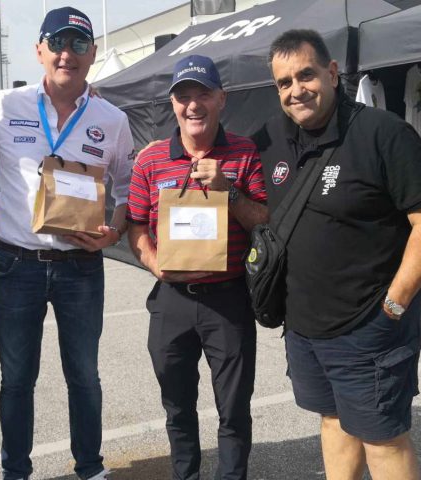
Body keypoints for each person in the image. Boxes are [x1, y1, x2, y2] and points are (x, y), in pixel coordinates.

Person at [253, 29, 421, 480]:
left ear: (332, 72)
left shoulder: (383, 133)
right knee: (332, 420)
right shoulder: (273, 137)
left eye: (306, 75)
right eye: (284, 82)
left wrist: (395, 303)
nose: (296, 90)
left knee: (383, 439)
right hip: (303, 327)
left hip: (368, 326)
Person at [0, 7, 134, 480]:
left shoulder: (112, 119)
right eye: (58, 43)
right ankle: (16, 471)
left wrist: (115, 231)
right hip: (16, 265)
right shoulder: (6, 106)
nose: (68, 54)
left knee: (83, 375)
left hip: (80, 267)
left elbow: (129, 187)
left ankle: (90, 467)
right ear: (39, 50)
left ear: (93, 53)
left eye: (79, 44)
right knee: (17, 378)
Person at [127, 54, 268, 480]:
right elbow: (135, 226)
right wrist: (155, 264)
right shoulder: (151, 160)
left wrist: (228, 190)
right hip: (172, 299)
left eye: (202, 94)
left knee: (234, 408)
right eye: (183, 96)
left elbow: (264, 221)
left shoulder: (244, 153)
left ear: (220, 99)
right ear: (172, 104)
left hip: (228, 299)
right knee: (177, 407)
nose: (193, 105)